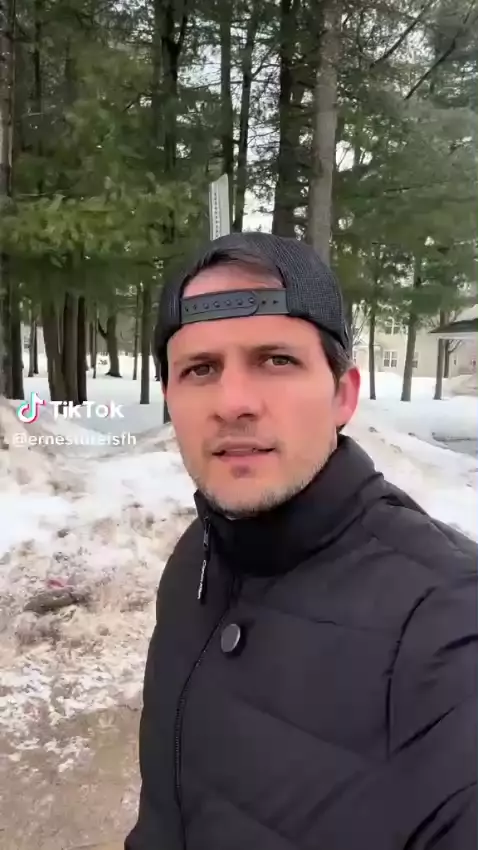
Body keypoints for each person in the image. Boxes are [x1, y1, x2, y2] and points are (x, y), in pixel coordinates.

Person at [125, 232, 477, 850]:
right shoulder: (194, 563)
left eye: (276, 361)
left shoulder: (448, 623)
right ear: (171, 399)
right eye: (200, 369)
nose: (233, 403)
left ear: (343, 394)